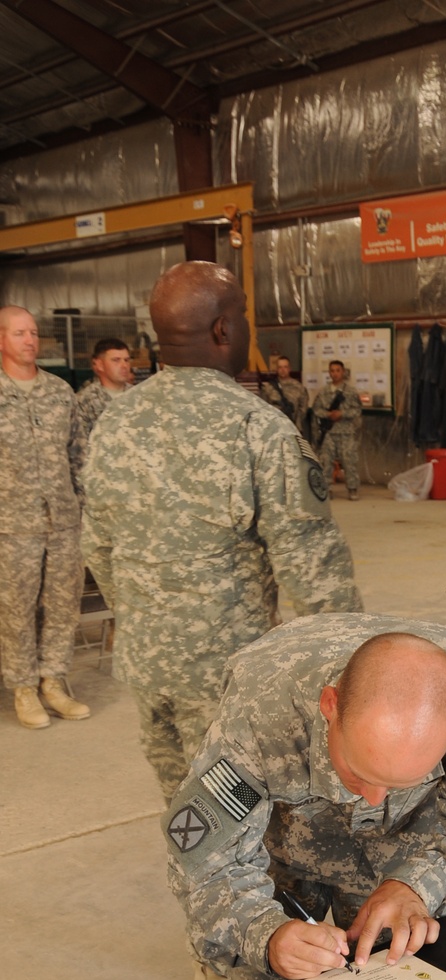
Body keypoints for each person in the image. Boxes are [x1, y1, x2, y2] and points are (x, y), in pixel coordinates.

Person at [82, 261, 362, 801]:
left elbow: (96, 544)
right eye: (242, 315)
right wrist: (350, 679)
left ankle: (199, 884)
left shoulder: (116, 421)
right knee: (244, 815)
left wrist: (147, 616)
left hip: (147, 661)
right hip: (228, 675)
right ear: (223, 329)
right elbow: (313, 573)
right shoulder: (256, 427)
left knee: (186, 811)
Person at [163, 615, 446, 980]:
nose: (374, 798)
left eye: (399, 783)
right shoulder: (259, 711)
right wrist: (264, 934)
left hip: (408, 834)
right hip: (284, 835)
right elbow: (206, 861)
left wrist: (420, 884)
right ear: (330, 705)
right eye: (360, 773)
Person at [0, 305, 90, 729]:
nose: (30, 340)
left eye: (33, 332)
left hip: (64, 521)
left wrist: (87, 513)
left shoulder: (59, 392)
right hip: (10, 524)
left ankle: (53, 681)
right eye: (19, 333)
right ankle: (22, 687)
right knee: (16, 608)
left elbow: (79, 457)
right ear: (2, 339)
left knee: (62, 605)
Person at [312, 359, 363, 500]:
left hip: (346, 431)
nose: (335, 374)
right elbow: (317, 409)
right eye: (332, 371)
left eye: (337, 370)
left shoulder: (350, 391)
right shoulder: (323, 392)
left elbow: (357, 410)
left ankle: (352, 489)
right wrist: (328, 414)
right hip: (329, 432)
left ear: (343, 372)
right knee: (326, 461)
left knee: (349, 461)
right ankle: (326, 489)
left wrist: (342, 414)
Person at [74, 337, 132, 447]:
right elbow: (80, 446)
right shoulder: (85, 401)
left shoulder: (139, 396)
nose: (124, 366)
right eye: (116, 360)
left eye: (127, 360)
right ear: (99, 364)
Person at [259, 354, 308, 433]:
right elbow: (263, 408)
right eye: (280, 367)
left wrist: (296, 424)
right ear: (277, 369)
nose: (283, 370)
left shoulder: (299, 387)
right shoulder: (268, 388)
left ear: (289, 368)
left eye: (285, 367)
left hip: (293, 428)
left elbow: (303, 409)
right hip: (274, 429)